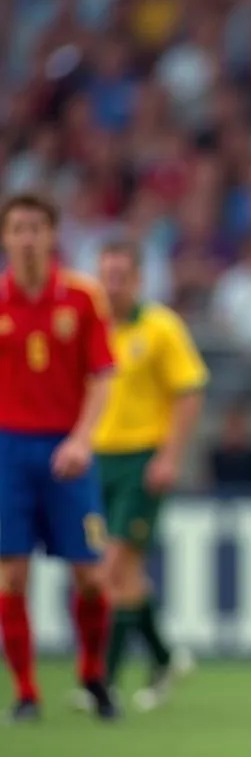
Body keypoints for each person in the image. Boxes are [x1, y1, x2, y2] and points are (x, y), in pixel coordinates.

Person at [0, 192, 117, 721]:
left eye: (35, 227)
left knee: (91, 575)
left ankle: (92, 673)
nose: (26, 237)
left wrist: (82, 439)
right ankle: (26, 691)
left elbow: (103, 375)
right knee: (11, 575)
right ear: (6, 237)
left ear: (52, 236)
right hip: (8, 450)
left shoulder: (82, 296)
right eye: (17, 228)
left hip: (68, 449)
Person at [89, 240, 207, 711]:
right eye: (106, 276)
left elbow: (190, 389)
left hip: (141, 460)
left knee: (110, 571)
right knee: (129, 576)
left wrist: (169, 456)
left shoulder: (160, 327)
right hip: (97, 460)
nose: (112, 286)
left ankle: (101, 680)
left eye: (121, 276)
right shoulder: (90, 327)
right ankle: (164, 658)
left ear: (137, 279)